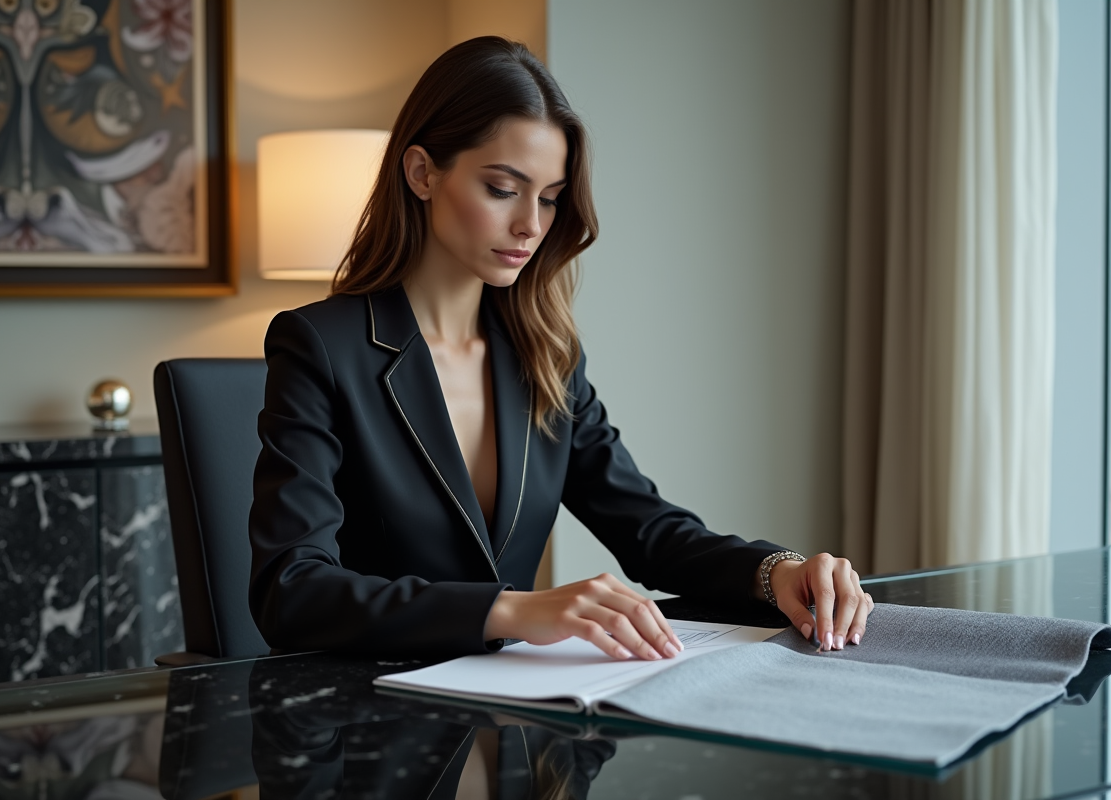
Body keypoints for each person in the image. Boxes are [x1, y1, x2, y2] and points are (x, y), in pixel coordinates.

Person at [247, 36, 872, 663]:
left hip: (511, 720)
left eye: (548, 198)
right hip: (367, 723)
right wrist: (510, 609)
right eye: (501, 188)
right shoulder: (320, 346)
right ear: (422, 173)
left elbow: (651, 531)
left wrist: (776, 572)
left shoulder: (542, 354)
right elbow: (291, 590)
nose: (531, 225)